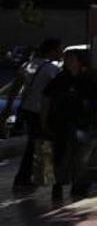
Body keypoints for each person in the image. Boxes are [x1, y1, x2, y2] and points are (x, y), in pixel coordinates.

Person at [43, 49, 97, 199]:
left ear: (80, 61)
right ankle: (57, 185)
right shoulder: (59, 79)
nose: (67, 62)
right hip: (62, 125)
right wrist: (44, 120)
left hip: (85, 126)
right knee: (60, 157)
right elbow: (46, 100)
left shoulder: (92, 81)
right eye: (66, 59)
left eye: (71, 59)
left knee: (81, 159)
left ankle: (77, 186)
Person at [4, 38, 62, 190]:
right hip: (41, 111)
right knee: (39, 144)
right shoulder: (51, 69)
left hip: (27, 109)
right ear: (51, 51)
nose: (60, 53)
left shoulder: (27, 65)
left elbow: (15, 88)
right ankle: (27, 178)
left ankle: (32, 177)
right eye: (58, 50)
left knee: (34, 143)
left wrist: (9, 107)